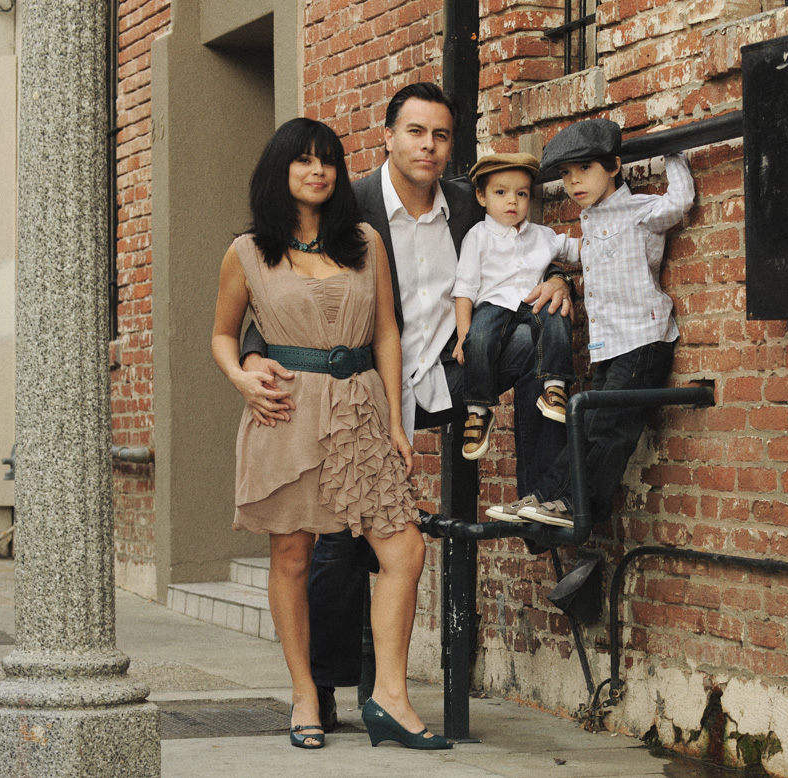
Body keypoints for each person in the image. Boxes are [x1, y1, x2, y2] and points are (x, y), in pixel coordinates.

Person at [237, 84, 573, 728]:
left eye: (442, 135)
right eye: (416, 132)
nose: (429, 146)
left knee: (535, 340)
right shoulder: (350, 202)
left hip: (449, 377)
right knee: (336, 548)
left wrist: (558, 279)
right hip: (363, 387)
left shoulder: (468, 207)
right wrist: (253, 356)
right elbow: (280, 279)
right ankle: (328, 688)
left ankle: (542, 496)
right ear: (387, 136)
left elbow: (522, 249)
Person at [211, 118, 450, 750]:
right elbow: (222, 335)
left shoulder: (365, 241)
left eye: (329, 162)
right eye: (304, 161)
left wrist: (397, 420)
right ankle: (304, 693)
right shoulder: (247, 251)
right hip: (285, 413)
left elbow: (387, 333)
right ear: (280, 171)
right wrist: (241, 377)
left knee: (405, 550)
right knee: (292, 556)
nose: (318, 171)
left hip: (361, 411)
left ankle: (390, 699)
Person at [486, 118, 695, 528]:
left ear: (614, 166)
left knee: (608, 429)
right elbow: (581, 258)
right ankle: (545, 498)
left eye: (585, 169)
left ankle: (576, 506)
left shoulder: (640, 211)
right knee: (584, 425)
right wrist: (557, 278)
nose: (574, 182)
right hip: (608, 345)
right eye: (566, 174)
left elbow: (680, 200)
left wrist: (674, 147)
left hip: (643, 339)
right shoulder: (590, 219)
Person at [452, 152, 580, 460]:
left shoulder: (542, 235)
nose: (513, 201)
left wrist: (608, 238)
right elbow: (465, 290)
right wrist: (463, 337)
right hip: (494, 305)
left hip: (532, 301)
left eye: (521, 194)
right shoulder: (477, 237)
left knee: (557, 314)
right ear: (482, 197)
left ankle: (554, 387)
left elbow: (578, 249)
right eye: (501, 192)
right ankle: (478, 411)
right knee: (479, 339)